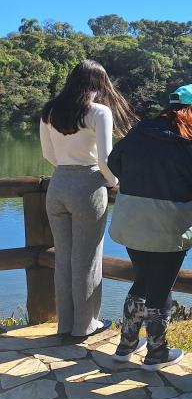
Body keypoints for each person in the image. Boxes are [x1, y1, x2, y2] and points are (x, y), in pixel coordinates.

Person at [107, 84, 192, 370]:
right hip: (170, 225)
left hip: (132, 219)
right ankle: (156, 353)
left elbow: (113, 161)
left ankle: (126, 344)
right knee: (160, 286)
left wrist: (139, 183)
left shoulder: (140, 131)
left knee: (143, 279)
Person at [39, 60, 137, 338]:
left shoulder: (50, 111)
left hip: (58, 184)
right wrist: (113, 181)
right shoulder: (99, 112)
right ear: (99, 83)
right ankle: (86, 325)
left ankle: (65, 324)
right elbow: (106, 159)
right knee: (87, 259)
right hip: (88, 186)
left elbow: (48, 154)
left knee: (64, 258)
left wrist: (67, 168)